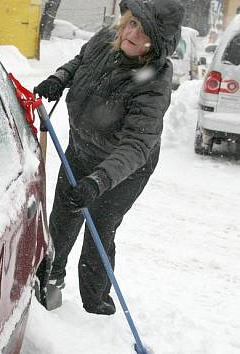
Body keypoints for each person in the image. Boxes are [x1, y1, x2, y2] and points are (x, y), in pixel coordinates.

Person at [34, 0, 184, 315]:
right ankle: (49, 285)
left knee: (100, 230)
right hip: (81, 150)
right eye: (131, 23)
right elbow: (80, 62)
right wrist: (60, 78)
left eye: (144, 34)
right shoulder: (107, 39)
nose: (132, 34)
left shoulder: (154, 81)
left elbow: (136, 145)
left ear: (156, 46)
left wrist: (98, 181)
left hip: (123, 171)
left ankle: (95, 302)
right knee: (61, 221)